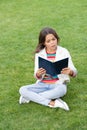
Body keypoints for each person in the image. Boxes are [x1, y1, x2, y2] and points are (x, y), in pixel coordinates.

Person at [19, 27, 77, 111]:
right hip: (42, 84)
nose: (52, 43)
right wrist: (38, 74)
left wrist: (70, 72)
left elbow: (74, 71)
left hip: (58, 84)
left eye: (53, 39)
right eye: (48, 41)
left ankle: (30, 97)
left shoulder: (64, 51)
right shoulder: (39, 54)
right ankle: (53, 102)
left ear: (57, 39)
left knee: (62, 91)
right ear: (44, 43)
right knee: (22, 89)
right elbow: (36, 74)